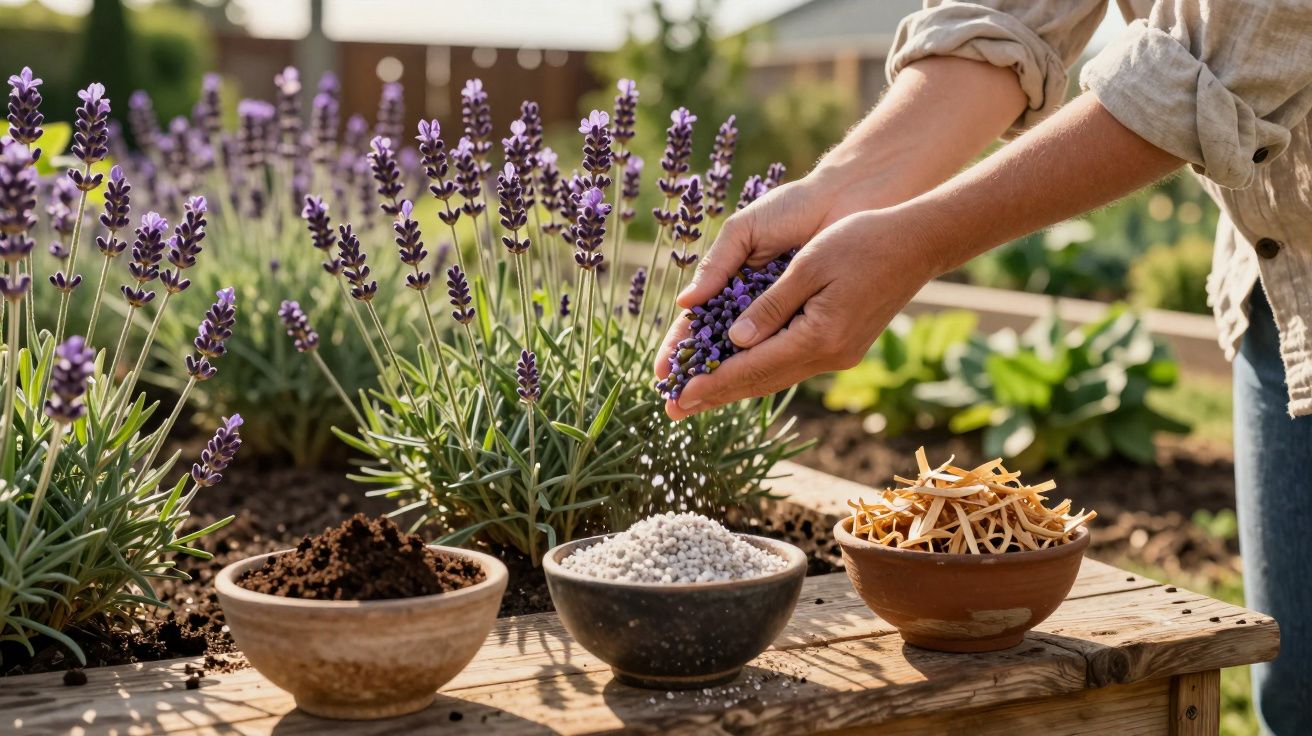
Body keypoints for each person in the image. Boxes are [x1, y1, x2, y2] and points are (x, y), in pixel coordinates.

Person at [654, 1, 1312, 732]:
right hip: (1281, 281)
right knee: (1297, 694)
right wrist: (843, 188)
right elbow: (1008, 17)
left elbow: (1222, 60)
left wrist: (920, 240)